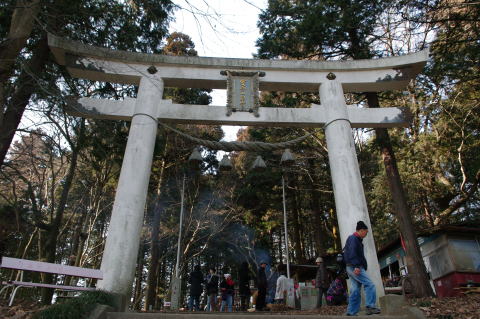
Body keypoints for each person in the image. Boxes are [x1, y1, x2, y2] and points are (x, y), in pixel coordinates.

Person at [344, 221, 381, 316]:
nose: (366, 233)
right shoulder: (353, 239)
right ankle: (370, 307)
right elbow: (352, 253)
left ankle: (351, 311)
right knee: (370, 284)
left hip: (351, 266)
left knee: (355, 289)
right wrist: (357, 266)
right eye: (366, 231)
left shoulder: (356, 239)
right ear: (361, 230)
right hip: (354, 267)